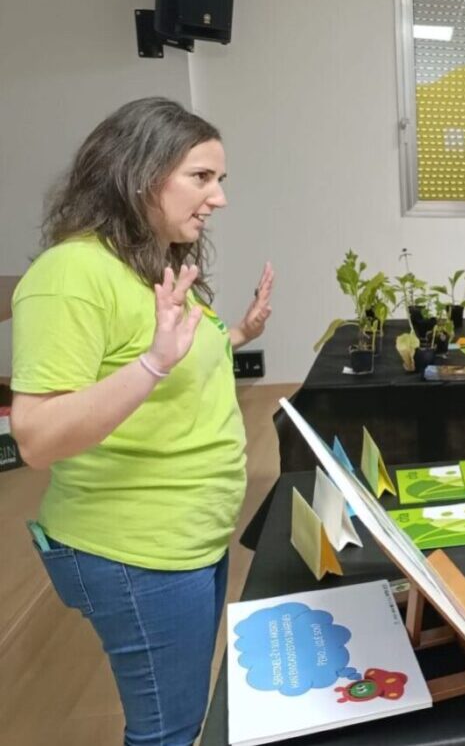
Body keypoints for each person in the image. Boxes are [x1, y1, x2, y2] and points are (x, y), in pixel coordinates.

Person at [10, 97, 275, 746]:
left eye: (221, 180)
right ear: (139, 173)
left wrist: (234, 332)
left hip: (187, 536)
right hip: (134, 551)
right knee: (169, 732)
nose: (218, 198)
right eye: (201, 177)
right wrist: (156, 361)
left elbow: (158, 368)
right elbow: (37, 436)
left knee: (185, 715)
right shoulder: (69, 273)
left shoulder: (144, 262)